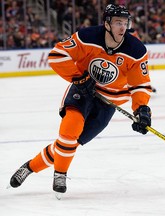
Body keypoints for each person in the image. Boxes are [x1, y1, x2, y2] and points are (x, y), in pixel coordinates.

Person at [9, 4, 153, 196]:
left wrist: (142, 109)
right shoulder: (87, 37)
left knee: (69, 145)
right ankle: (60, 173)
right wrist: (78, 77)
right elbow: (57, 55)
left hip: (109, 102)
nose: (122, 27)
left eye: (125, 23)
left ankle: (29, 167)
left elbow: (140, 85)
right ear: (107, 23)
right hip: (83, 90)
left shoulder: (136, 49)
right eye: (118, 22)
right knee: (69, 132)